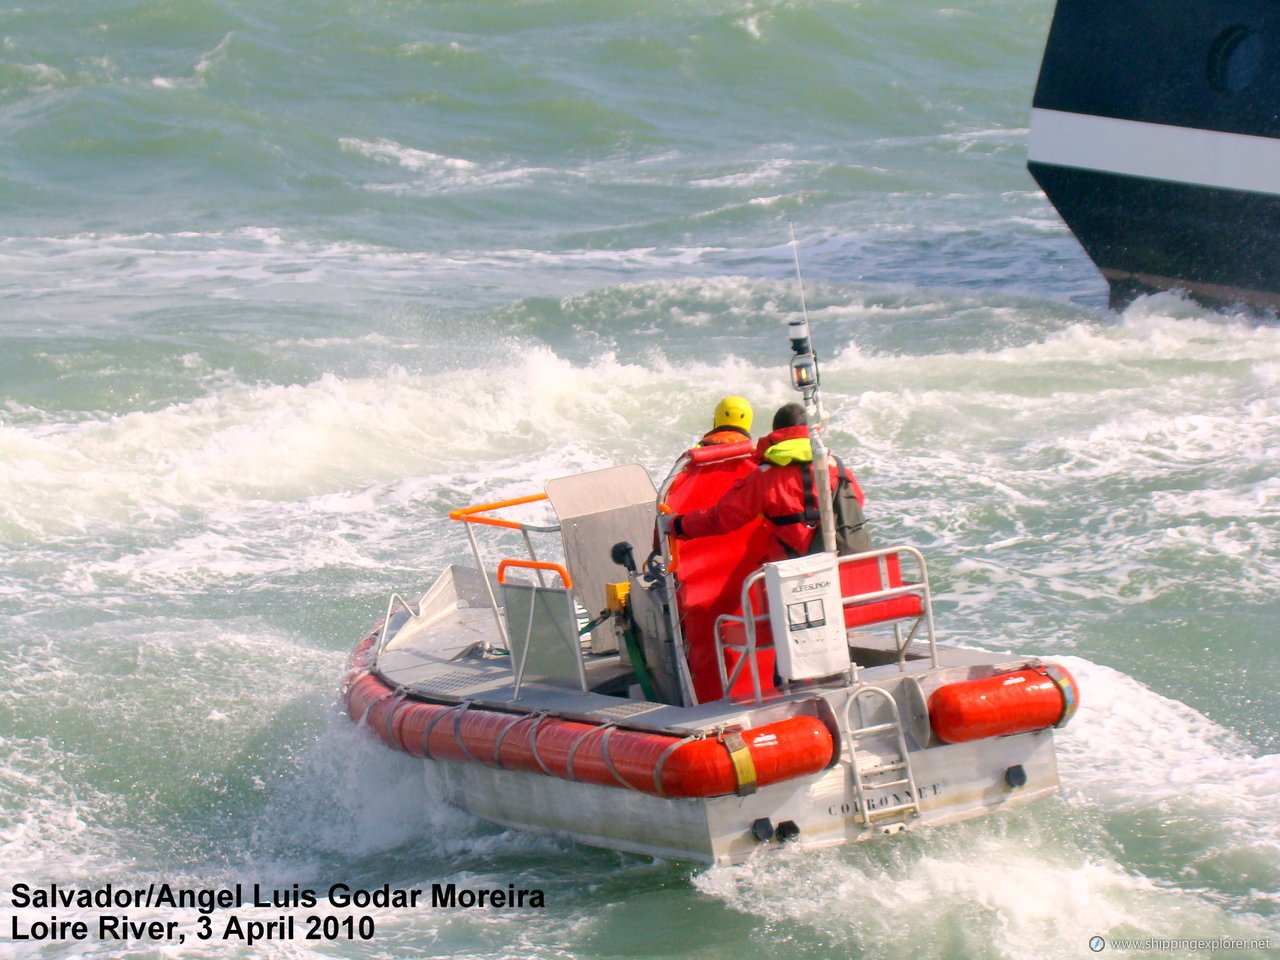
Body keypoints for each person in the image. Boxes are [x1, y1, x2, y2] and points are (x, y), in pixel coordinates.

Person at [667, 402, 865, 562]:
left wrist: (679, 525)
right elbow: (857, 502)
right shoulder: (836, 467)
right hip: (842, 563)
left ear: (776, 433)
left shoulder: (765, 477)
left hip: (790, 571)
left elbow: (723, 518)